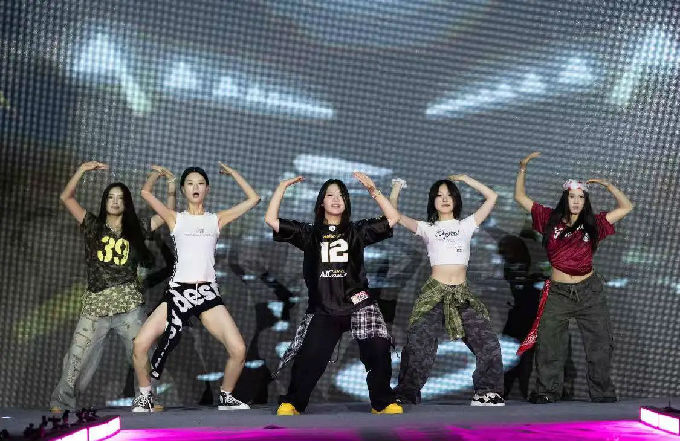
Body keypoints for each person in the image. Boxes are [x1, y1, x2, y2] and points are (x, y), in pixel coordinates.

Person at [265, 172, 403, 415]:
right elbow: (271, 220)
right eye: (330, 195)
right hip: (324, 308)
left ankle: (382, 403)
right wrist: (281, 188)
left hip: (359, 304)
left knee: (379, 350)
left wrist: (374, 191)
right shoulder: (309, 233)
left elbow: (393, 218)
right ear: (321, 202)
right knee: (310, 358)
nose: (336, 199)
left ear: (347, 202)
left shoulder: (357, 230)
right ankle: (294, 403)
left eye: (341, 196)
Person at [131, 163, 260, 412]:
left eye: (200, 183)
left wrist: (234, 174)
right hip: (178, 293)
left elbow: (254, 199)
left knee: (239, 349)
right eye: (190, 184)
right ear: (183, 190)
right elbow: (145, 193)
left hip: (207, 294)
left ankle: (226, 396)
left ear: (207, 189)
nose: (195, 187)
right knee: (139, 345)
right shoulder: (175, 218)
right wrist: (157, 174)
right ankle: (145, 396)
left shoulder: (216, 219)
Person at [50, 161, 175, 412]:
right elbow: (66, 197)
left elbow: (166, 215)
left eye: (120, 198)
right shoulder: (92, 225)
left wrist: (170, 188)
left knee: (143, 352)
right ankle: (62, 402)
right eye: (111, 197)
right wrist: (82, 170)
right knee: (76, 357)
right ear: (105, 201)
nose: (115, 202)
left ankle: (147, 398)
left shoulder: (136, 229)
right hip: (96, 306)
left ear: (126, 203)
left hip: (129, 306)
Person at [514, 151, 633, 403]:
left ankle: (602, 394)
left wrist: (609, 186)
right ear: (565, 198)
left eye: (581, 197)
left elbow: (626, 207)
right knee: (549, 344)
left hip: (589, 292)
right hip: (558, 293)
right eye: (572, 196)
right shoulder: (549, 219)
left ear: (585, 201)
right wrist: (523, 168)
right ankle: (547, 391)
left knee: (600, 345)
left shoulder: (595, 224)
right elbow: (520, 197)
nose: (576, 201)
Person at [391, 175, 505, 406]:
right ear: (432, 201)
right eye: (439, 195)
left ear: (456, 199)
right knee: (419, 345)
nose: (444, 199)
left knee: (488, 342)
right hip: (434, 293)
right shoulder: (427, 228)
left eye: (449, 195)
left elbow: (492, 197)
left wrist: (465, 179)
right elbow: (394, 215)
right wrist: (396, 188)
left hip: (461, 294)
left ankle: (487, 392)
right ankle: (406, 392)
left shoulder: (466, 225)